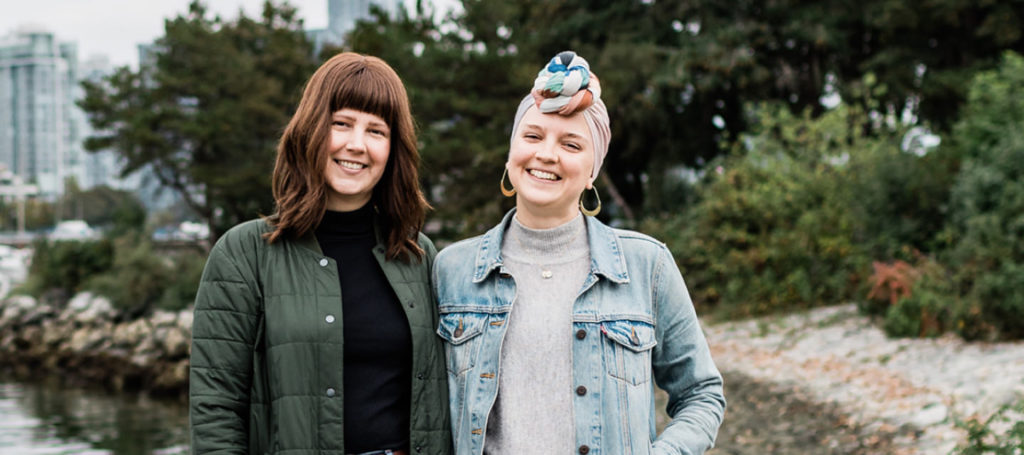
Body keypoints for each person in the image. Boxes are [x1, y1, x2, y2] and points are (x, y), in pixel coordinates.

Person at [433, 51, 725, 455]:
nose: (547, 154)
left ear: (593, 171)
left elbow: (702, 394)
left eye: (571, 144)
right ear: (511, 152)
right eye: (532, 136)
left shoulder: (646, 266)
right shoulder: (452, 270)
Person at [189, 52, 452, 455]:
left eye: (376, 131)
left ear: (393, 149)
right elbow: (216, 410)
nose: (356, 145)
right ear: (311, 130)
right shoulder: (244, 254)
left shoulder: (418, 254)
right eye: (341, 124)